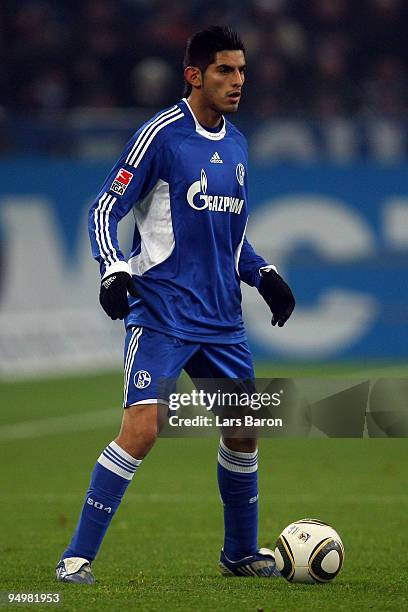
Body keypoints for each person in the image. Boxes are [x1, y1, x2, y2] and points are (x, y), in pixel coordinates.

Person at [56, 26, 295, 584]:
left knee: (244, 432)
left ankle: (239, 554)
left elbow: (230, 234)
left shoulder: (237, 143)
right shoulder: (161, 135)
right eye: (224, 71)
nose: (238, 82)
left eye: (241, 71)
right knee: (142, 430)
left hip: (222, 319)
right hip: (162, 313)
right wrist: (113, 267)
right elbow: (104, 207)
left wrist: (263, 273)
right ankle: (75, 560)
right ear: (194, 75)